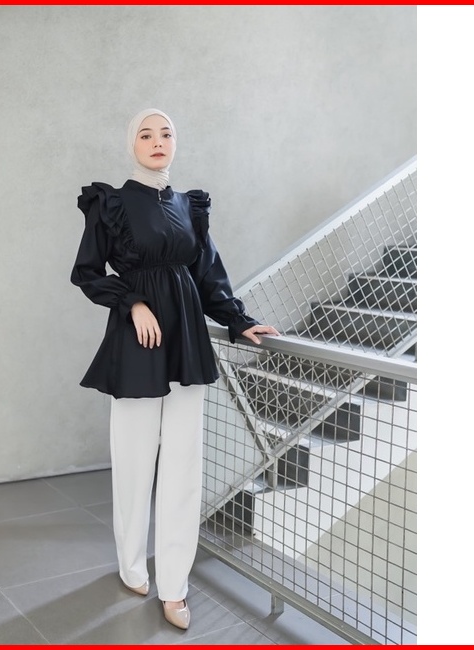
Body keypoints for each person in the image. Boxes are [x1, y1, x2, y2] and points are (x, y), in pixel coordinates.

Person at [70, 108, 279, 630]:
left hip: (185, 340)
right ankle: (131, 565)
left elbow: (208, 275)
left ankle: (175, 587)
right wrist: (132, 303)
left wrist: (238, 320)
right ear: (132, 144)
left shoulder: (190, 206)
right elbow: (87, 271)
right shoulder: (111, 203)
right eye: (146, 134)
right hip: (137, 339)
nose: (157, 141)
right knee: (134, 461)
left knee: (184, 468)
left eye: (166, 133)